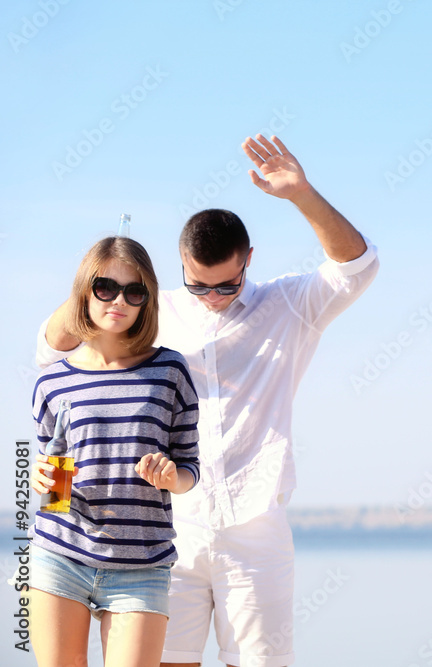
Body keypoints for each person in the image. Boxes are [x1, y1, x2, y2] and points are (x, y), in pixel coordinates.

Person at [36, 135, 379, 667]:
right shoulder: (150, 310)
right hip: (167, 531)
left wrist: (301, 194)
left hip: (256, 531)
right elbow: (52, 346)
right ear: (181, 265)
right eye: (199, 286)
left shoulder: (289, 305)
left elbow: (359, 266)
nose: (213, 298)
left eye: (226, 285)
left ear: (248, 261)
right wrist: (98, 281)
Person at [29, 237, 200, 667]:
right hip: (60, 554)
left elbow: (189, 468)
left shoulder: (170, 371)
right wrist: (40, 478)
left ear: (147, 301)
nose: (118, 300)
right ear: (85, 292)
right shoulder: (52, 383)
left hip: (142, 565)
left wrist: (171, 476)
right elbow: (50, 472)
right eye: (105, 287)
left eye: (134, 291)